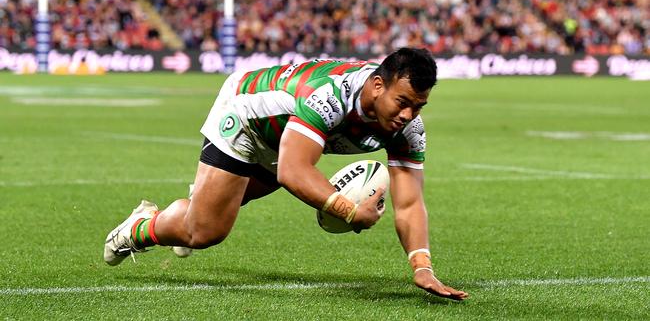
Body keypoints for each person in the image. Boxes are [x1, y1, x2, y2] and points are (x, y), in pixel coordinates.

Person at [104, 47, 468, 301]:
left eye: (418, 106)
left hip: (287, 137)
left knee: (208, 211)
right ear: (377, 86)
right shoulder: (332, 96)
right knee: (204, 231)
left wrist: (422, 266)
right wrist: (346, 209)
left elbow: (409, 202)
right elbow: (294, 171)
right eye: (402, 102)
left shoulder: (408, 129)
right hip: (247, 116)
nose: (408, 115)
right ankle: (140, 226)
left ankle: (196, 206)